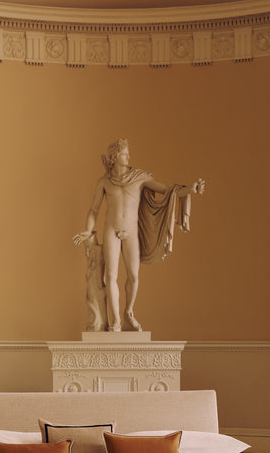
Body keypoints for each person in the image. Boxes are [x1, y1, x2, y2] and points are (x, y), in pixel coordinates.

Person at [73, 139, 205, 332]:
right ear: (115, 157)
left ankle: (128, 312)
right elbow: (94, 209)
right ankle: (116, 321)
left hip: (131, 231)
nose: (128, 157)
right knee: (110, 275)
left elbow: (167, 190)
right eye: (124, 153)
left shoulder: (139, 177)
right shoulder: (104, 182)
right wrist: (88, 229)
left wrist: (190, 190)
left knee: (133, 276)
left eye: (128, 153)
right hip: (111, 230)